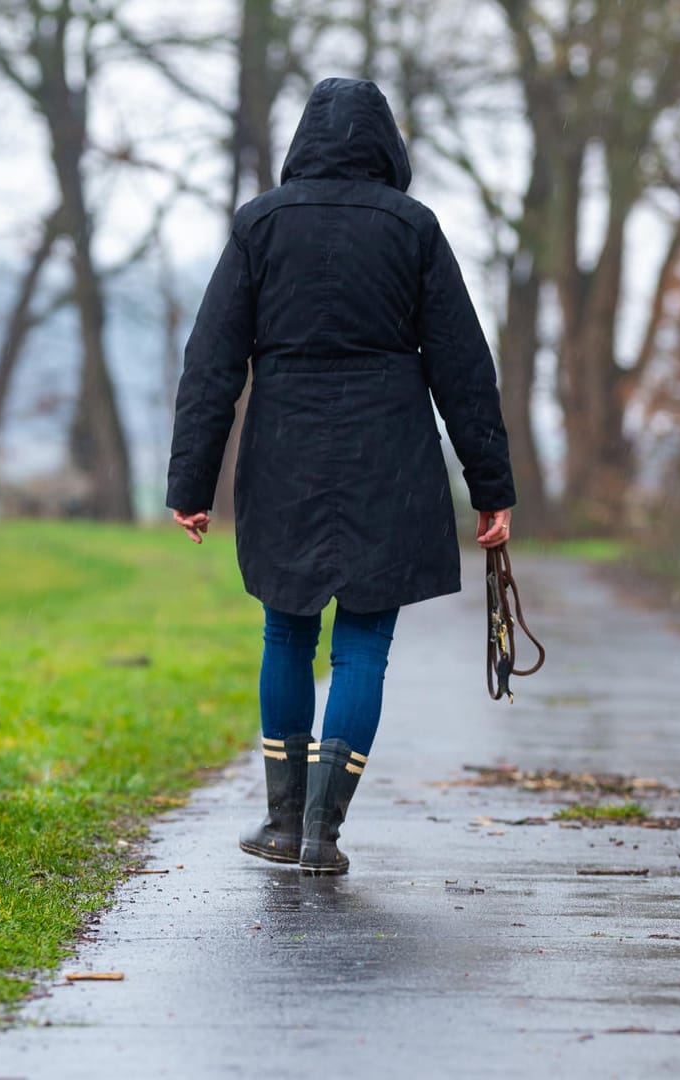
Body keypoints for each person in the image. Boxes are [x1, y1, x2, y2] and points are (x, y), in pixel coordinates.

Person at [166, 78, 516, 876]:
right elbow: (465, 365)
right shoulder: (413, 228)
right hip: (387, 451)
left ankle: (283, 823)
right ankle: (323, 833)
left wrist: (192, 481)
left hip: (284, 446)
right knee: (364, 645)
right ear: (387, 144)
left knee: (286, 630)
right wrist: (490, 485)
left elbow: (212, 362)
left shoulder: (259, 224)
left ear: (303, 141)